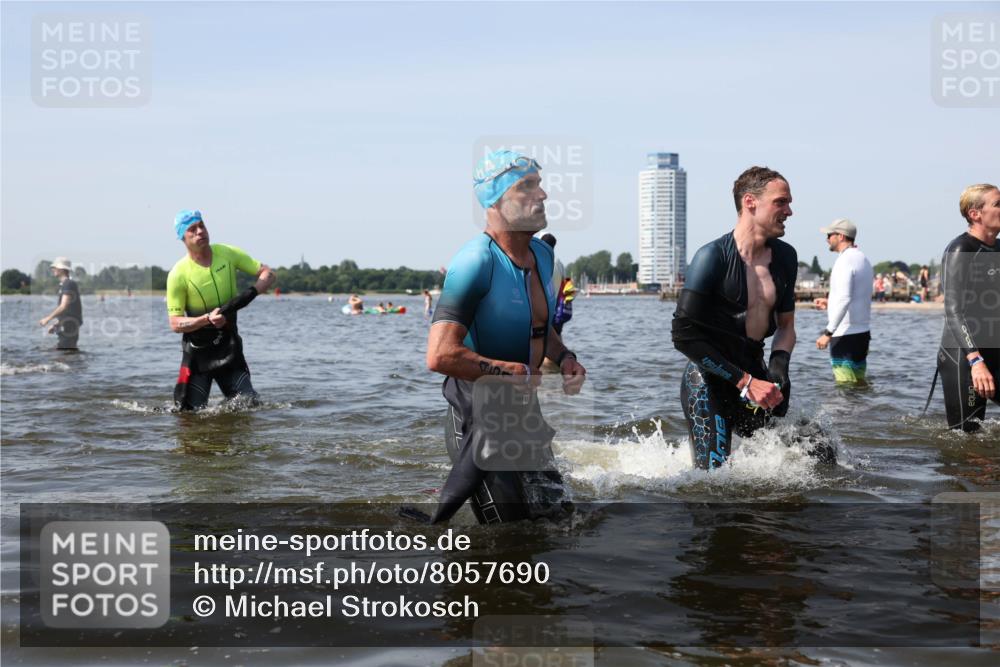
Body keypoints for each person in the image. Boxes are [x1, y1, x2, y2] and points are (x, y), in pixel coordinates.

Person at [426, 150, 586, 523]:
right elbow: (440, 355)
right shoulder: (475, 262)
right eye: (526, 187)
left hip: (525, 414)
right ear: (495, 200)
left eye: (539, 185)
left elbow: (540, 328)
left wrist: (565, 358)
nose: (542, 195)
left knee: (560, 521)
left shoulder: (543, 257)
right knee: (508, 533)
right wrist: (507, 370)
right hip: (477, 416)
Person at [671, 166, 798, 470]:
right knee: (714, 482)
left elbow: (786, 326)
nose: (789, 211)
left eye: (789, 203)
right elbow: (683, 335)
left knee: (815, 453)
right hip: (708, 379)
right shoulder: (711, 257)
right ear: (750, 202)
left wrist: (779, 367)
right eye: (780, 202)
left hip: (756, 375)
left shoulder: (786, 257)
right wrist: (746, 382)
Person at [166, 210, 276, 411]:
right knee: (188, 416)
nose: (200, 231)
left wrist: (251, 293)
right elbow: (175, 323)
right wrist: (206, 319)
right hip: (198, 355)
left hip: (229, 347)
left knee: (249, 405)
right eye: (192, 229)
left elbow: (267, 273)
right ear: (183, 237)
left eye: (202, 225)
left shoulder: (227, 253)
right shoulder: (178, 274)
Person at [938, 183, 1000, 432]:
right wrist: (976, 360)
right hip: (964, 356)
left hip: (995, 347)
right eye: (998, 204)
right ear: (975, 214)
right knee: (967, 438)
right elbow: (953, 312)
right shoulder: (961, 249)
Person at [815, 219, 874, 384]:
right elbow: (858, 295)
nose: (827, 239)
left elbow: (844, 298)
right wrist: (830, 303)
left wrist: (828, 333)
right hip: (862, 333)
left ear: (840, 236)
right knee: (858, 384)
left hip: (844, 334)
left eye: (829, 235)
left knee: (844, 386)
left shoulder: (844, 260)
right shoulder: (863, 258)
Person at [38, 257, 83, 350]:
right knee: (65, 352)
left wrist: (47, 319)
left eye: (55, 267)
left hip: (70, 327)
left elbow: (63, 306)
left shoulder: (68, 284)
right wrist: (57, 324)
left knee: (64, 353)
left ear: (62, 269)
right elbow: (69, 310)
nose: (53, 269)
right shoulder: (66, 284)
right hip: (68, 325)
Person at [540, 233, 576, 335]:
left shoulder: (541, 261)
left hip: (544, 310)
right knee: (557, 337)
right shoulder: (559, 263)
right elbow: (568, 285)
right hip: (559, 310)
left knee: (544, 339)